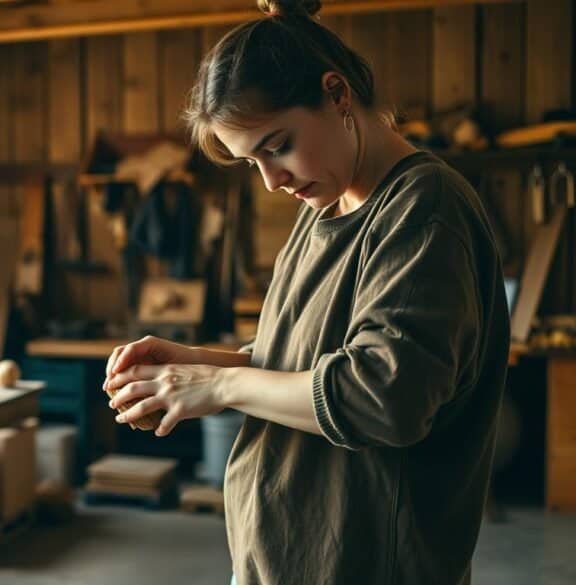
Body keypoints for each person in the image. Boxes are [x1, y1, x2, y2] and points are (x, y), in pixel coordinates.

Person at [101, 1, 510, 584]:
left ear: (338, 95)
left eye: (278, 145)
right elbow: (302, 360)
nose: (273, 181)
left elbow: (383, 398)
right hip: (285, 560)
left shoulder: (423, 209)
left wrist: (222, 383)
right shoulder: (326, 204)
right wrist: (195, 367)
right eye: (252, 163)